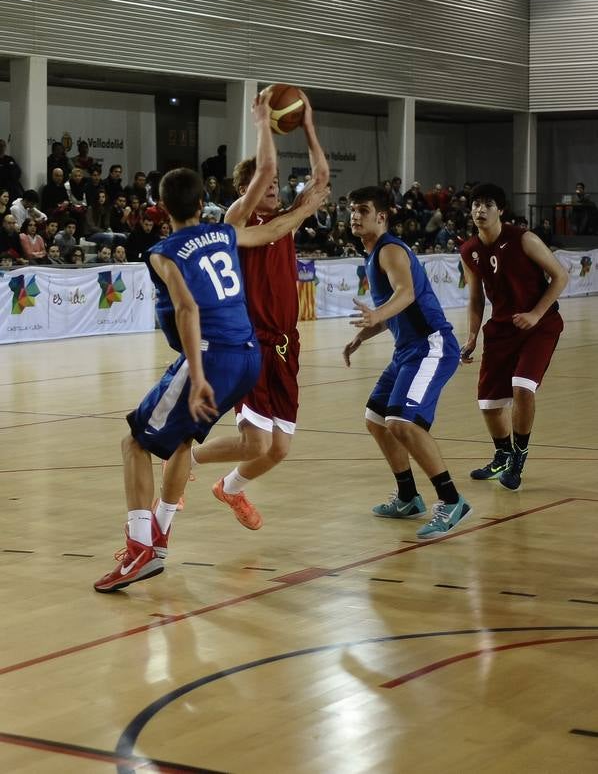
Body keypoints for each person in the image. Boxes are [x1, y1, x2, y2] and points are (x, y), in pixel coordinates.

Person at [93, 161, 324, 592]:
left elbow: (186, 309)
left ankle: (139, 547)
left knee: (134, 441)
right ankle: (159, 541)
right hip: (249, 353)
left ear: (161, 207)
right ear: (205, 203)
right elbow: (271, 229)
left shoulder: (164, 252)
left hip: (212, 355)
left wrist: (196, 374)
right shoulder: (225, 231)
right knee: (184, 440)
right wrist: (306, 201)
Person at [189, 90, 330, 530]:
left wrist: (307, 125)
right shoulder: (236, 221)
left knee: (280, 448)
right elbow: (268, 183)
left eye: (275, 185)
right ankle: (185, 451)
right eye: (265, 185)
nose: (273, 186)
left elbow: (321, 179)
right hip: (251, 344)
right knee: (256, 442)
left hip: (287, 345)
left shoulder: (285, 219)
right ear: (245, 191)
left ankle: (228, 489)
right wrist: (263, 124)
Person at [342, 185, 472, 540]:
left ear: (381, 216)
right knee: (376, 419)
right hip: (407, 350)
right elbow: (393, 311)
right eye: (352, 209)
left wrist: (376, 315)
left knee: (402, 422)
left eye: (363, 210)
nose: (354, 215)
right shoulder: (372, 255)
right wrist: (362, 336)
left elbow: (406, 294)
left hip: (432, 345)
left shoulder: (391, 250)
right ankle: (407, 497)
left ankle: (451, 500)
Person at [460, 183, 568, 491]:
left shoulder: (524, 239)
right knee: (488, 403)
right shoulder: (469, 250)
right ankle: (502, 455)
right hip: (502, 328)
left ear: (501, 210)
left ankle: (518, 458)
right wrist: (471, 336)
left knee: (522, 386)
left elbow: (561, 276)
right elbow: (476, 298)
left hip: (541, 324)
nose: (480, 210)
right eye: (475, 205)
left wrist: (535, 314)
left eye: (487, 204)